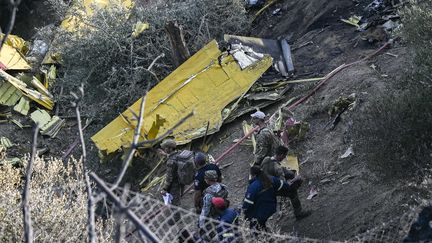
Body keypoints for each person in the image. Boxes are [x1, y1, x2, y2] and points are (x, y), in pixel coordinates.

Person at [261, 145, 311, 220]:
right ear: (281, 155)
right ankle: (299, 213)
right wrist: (295, 179)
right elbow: (284, 185)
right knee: (293, 191)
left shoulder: (266, 159)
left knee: (290, 173)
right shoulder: (277, 168)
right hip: (272, 189)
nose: (284, 158)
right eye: (284, 156)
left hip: (264, 184)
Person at [242, 166, 286, 231]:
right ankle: (266, 231)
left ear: (253, 175)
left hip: (260, 213)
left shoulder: (253, 187)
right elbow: (283, 185)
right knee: (262, 224)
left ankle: (267, 237)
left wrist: (244, 213)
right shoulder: (271, 179)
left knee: (255, 230)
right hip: (271, 208)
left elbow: (247, 204)